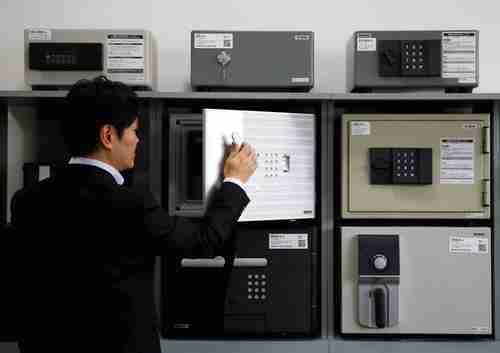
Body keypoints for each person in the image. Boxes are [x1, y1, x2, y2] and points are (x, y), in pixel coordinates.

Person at [10, 76, 257, 353]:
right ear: (108, 136)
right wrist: (235, 181)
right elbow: (205, 241)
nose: (137, 140)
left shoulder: (26, 201)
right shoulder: (130, 204)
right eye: (133, 131)